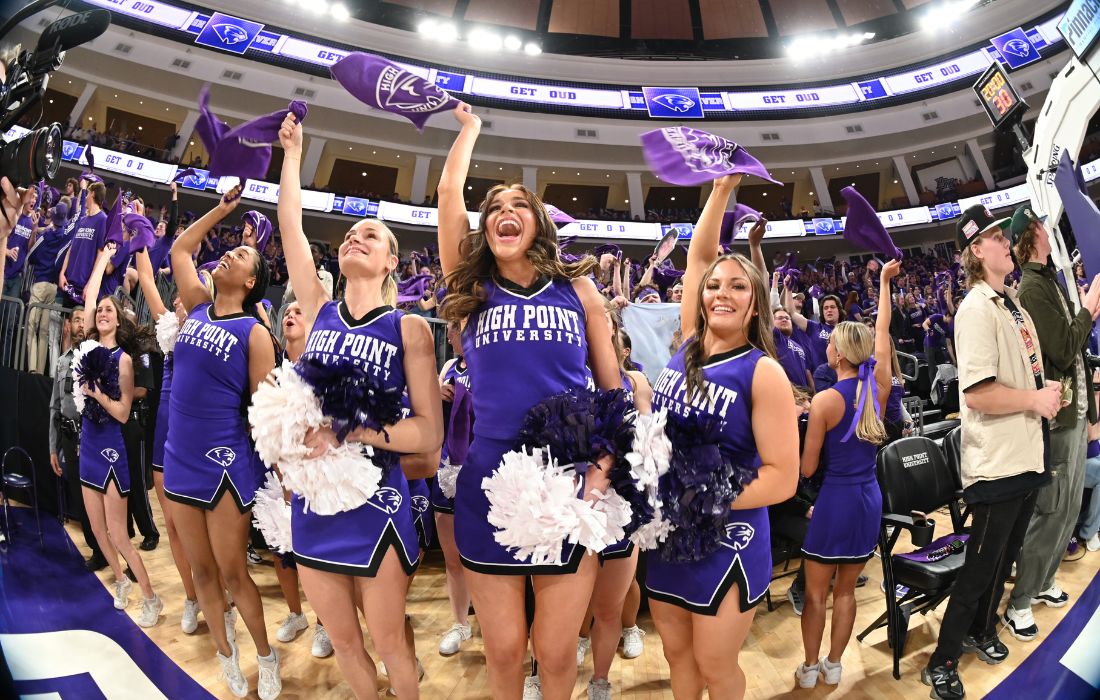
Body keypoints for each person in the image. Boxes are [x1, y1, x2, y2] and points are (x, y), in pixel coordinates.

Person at [437, 102, 622, 700]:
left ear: (539, 224)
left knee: (558, 651)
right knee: (506, 651)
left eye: (519, 206)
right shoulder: (471, 288)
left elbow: (613, 392)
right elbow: (446, 195)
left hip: (570, 482)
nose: (505, 214)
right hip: (490, 480)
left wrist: (599, 474)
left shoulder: (578, 287)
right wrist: (471, 130)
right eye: (494, 208)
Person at [278, 112, 442, 699]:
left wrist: (352, 433)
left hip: (379, 496)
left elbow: (427, 434)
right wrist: (295, 154)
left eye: (370, 235)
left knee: (390, 639)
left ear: (392, 261)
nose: (355, 237)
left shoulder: (411, 328)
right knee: (344, 641)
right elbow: (292, 227)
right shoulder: (319, 307)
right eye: (350, 233)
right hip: (314, 500)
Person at [645, 175, 799, 700]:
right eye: (715, 286)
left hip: (726, 535)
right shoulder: (687, 343)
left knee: (715, 662)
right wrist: (720, 189)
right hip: (668, 530)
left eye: (738, 286)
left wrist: (708, 501)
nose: (721, 293)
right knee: (676, 655)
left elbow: (783, 478)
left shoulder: (763, 373)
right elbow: (698, 257)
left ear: (755, 304)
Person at [922, 206, 1068, 700]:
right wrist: (1033, 399)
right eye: (995, 238)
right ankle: (942, 661)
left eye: (1004, 237)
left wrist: (1045, 391)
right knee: (980, 567)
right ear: (975, 252)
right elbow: (977, 393)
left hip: (1026, 453)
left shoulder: (1013, 305)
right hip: (997, 463)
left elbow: (1019, 375)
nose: (1007, 242)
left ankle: (982, 631)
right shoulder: (975, 309)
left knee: (1003, 556)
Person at [166, 185, 281, 699]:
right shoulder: (196, 304)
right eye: (231, 247)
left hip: (225, 461)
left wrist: (278, 471)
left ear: (251, 281)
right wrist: (222, 210)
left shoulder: (255, 335)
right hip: (179, 456)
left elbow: (263, 413)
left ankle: (265, 653)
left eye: (240, 254)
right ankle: (225, 654)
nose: (229, 252)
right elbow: (179, 251)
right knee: (202, 570)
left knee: (234, 572)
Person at [796, 260, 898, 688]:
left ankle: (808, 668)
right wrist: (884, 285)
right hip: (868, 499)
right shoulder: (879, 388)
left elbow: (807, 468)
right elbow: (883, 338)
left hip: (834, 501)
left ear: (837, 353)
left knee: (816, 593)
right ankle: (835, 664)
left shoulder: (823, 402)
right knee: (846, 592)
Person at [1006, 205, 1100, 640]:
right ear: (1031, 238)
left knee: (1068, 509)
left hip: (1076, 414)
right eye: (1043, 226)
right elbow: (1063, 350)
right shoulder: (1031, 289)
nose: (1051, 230)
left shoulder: (1049, 283)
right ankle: (1020, 600)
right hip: (1059, 420)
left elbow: (1075, 353)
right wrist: (1088, 310)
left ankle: (1042, 583)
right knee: (1051, 512)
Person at [76, 241, 162, 627]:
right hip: (87, 443)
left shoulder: (124, 359)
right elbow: (90, 294)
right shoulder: (90, 345)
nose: (103, 312)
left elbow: (124, 412)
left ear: (118, 321)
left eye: (110, 310)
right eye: (100, 311)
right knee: (95, 530)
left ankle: (151, 596)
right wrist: (103, 257)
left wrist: (95, 393)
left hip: (111, 445)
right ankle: (122, 580)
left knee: (118, 532)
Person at [578, 304, 653, 700]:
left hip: (621, 501)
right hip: (571, 501)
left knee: (611, 602)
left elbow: (646, 439)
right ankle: (545, 670)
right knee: (566, 602)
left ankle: (601, 679)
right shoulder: (567, 370)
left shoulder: (634, 380)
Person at [133, 244, 207, 635]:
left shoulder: (214, 332)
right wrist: (138, 236)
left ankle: (217, 594)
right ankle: (192, 597)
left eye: (187, 290)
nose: (178, 296)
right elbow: (146, 278)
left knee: (204, 529)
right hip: (165, 431)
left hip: (198, 436)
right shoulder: (169, 328)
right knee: (175, 528)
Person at [266, 301, 334, 660]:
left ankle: (325, 623)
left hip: (314, 478)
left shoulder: (322, 372)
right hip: (279, 474)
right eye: (287, 311)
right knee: (281, 551)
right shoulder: (274, 375)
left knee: (317, 558)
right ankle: (297, 615)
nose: (290, 315)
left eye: (299, 311)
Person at [431, 322, 475, 658]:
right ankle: (460, 623)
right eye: (447, 329)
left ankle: (492, 621)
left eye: (455, 328)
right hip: (448, 466)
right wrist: (436, 392)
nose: (448, 335)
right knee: (452, 557)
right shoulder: (448, 367)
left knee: (484, 556)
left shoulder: (490, 362)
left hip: (483, 467)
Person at [49, 310, 106, 570]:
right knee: (78, 495)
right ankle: (96, 548)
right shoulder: (61, 362)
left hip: (92, 435)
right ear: (69, 325)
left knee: (96, 495)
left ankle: (105, 548)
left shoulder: (95, 356)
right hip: (70, 437)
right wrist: (54, 447)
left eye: (84, 319)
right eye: (76, 319)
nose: (80, 323)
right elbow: (55, 406)